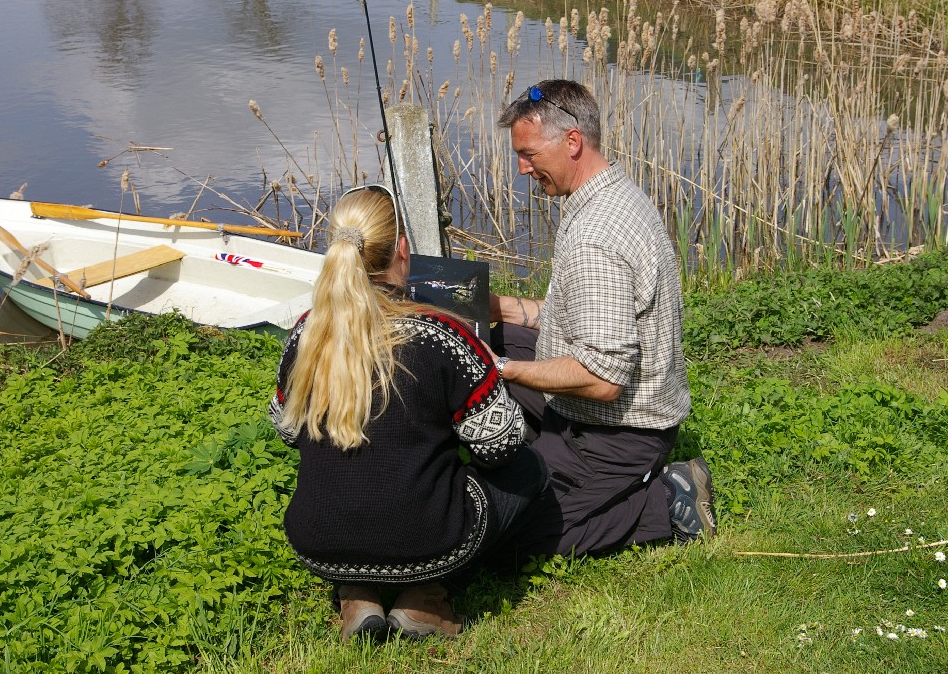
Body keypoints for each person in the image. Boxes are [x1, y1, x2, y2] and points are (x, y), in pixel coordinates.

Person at [268, 185, 547, 640]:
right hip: (428, 541)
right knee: (529, 470)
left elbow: (285, 428)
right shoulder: (443, 334)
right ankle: (426, 598)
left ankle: (356, 591)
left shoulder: (306, 332)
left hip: (319, 543)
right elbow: (503, 446)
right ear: (402, 250)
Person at [488, 79, 716, 567]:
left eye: (528, 154)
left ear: (572, 142)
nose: (523, 168)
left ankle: (668, 500)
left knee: (512, 535)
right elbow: (584, 317)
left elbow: (602, 378)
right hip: (600, 401)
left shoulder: (595, 236)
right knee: (486, 336)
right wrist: (500, 308)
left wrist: (501, 369)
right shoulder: (606, 193)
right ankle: (526, 443)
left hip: (619, 432)